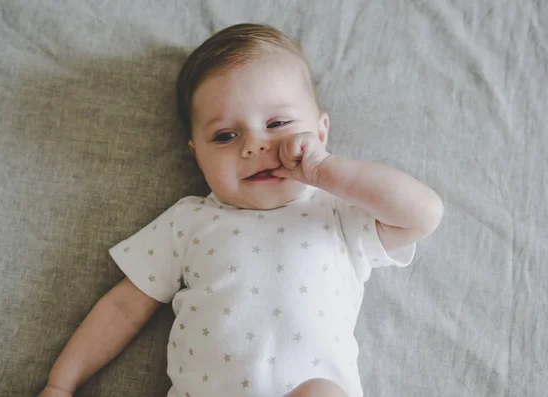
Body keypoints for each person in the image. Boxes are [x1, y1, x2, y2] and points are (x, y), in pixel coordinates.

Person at [39, 23, 443, 397]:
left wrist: (325, 171)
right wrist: (61, 383)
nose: (254, 145)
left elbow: (423, 214)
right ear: (197, 156)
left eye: (278, 122)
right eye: (225, 135)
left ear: (319, 132)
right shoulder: (188, 221)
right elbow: (123, 308)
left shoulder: (337, 213)